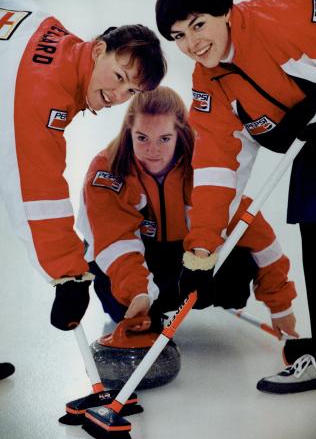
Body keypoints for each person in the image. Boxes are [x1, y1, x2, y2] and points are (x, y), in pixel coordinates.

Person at [155, 0, 316, 392]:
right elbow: (217, 169)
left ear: (225, 11)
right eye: (179, 36)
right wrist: (200, 253)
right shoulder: (208, 84)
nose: (192, 44)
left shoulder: (283, 26)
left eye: (198, 25)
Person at [0, 0, 166, 333]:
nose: (119, 96)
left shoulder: (59, 40)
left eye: (131, 90)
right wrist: (69, 275)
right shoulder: (41, 92)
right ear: (97, 50)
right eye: (119, 76)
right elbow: (36, 190)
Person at [77, 86, 297, 338]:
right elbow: (113, 240)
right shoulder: (107, 172)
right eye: (142, 138)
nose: (153, 149)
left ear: (179, 132)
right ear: (128, 132)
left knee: (238, 265)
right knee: (122, 303)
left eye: (164, 138)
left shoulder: (204, 170)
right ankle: (146, 304)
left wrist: (281, 307)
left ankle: (178, 298)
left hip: (185, 259)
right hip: (130, 262)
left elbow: (259, 237)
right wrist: (138, 292)